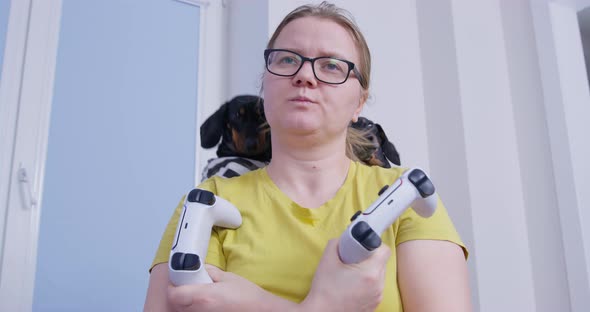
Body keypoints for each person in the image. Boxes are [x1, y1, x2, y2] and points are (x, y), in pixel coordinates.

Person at [144, 2, 471, 311]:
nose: (305, 75)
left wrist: (260, 304)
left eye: (331, 65)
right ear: (265, 85)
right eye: (287, 59)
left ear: (359, 102)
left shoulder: (406, 199)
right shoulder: (207, 202)